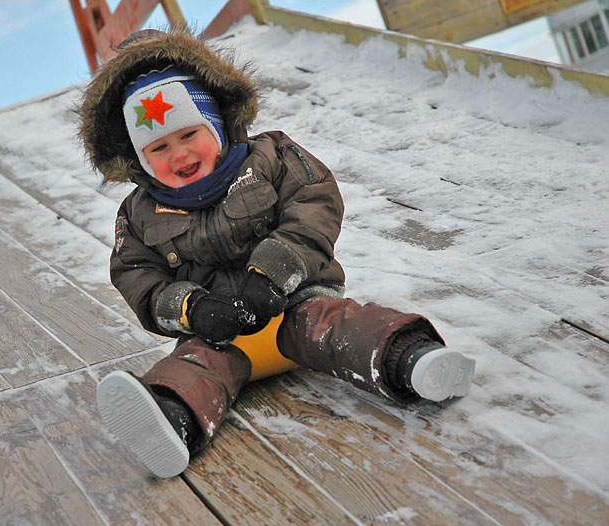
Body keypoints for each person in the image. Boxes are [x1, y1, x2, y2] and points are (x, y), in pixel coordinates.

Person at [80, 29, 476, 479]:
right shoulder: (139, 214)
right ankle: (172, 418)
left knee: (336, 327)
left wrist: (271, 274)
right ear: (140, 159)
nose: (180, 154)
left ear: (216, 123)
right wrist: (193, 309)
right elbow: (137, 277)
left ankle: (410, 359)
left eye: (190, 133)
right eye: (159, 148)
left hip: (295, 301)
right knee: (195, 365)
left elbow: (314, 206)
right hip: (221, 331)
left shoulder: (270, 157)